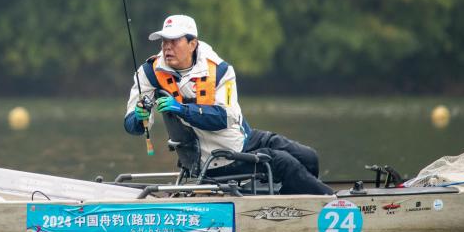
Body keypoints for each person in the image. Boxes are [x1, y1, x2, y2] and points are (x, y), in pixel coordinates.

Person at [123, 14, 333, 195]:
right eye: (164, 41)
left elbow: (224, 118)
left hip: (241, 139)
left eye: (174, 41)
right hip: (216, 159)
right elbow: (131, 126)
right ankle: (331, 202)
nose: (167, 47)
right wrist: (139, 117)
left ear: (192, 44)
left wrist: (181, 109)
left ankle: (291, 205)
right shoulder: (149, 73)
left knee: (308, 156)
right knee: (284, 163)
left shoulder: (221, 70)